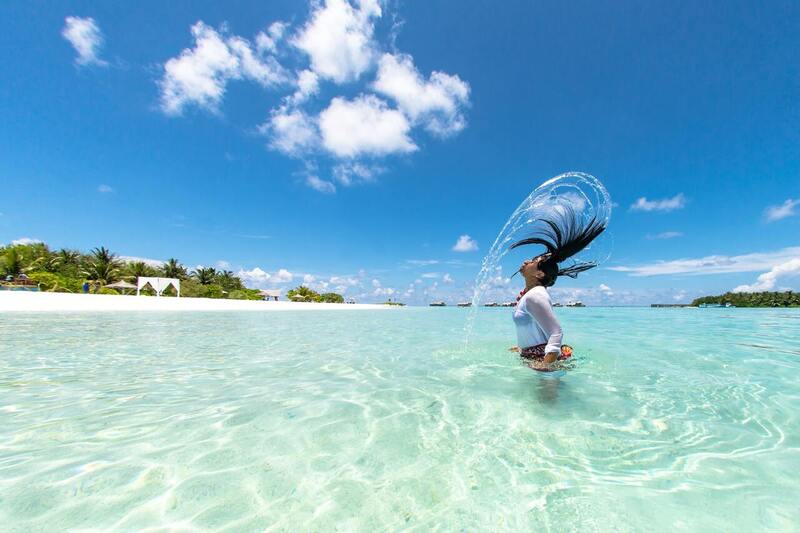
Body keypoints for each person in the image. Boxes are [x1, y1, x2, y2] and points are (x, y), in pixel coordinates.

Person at [508, 205, 607, 371]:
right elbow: (536, 327)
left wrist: (545, 366)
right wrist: (522, 348)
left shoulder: (536, 295)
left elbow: (556, 333)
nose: (526, 261)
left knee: (546, 398)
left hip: (543, 361)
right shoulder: (531, 294)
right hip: (534, 357)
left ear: (539, 274)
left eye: (533, 262)